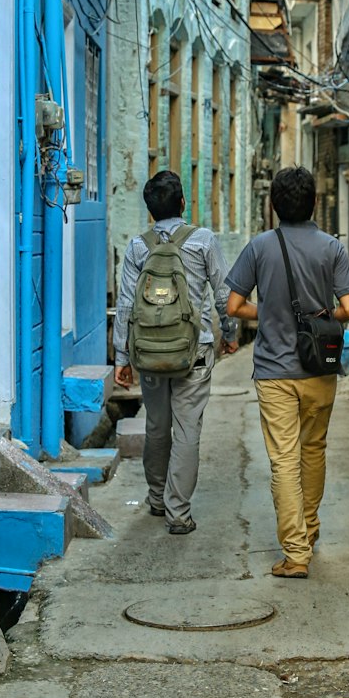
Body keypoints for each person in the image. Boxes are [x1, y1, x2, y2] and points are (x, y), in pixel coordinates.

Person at [226, 166, 349, 579]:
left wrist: (268, 313)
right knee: (313, 449)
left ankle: (296, 552)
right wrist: (323, 317)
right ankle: (311, 531)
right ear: (314, 203)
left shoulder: (259, 247)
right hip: (319, 368)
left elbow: (233, 306)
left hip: (274, 372)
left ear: (273, 205)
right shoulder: (332, 248)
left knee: (283, 460)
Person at [113, 169, 238, 534]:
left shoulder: (138, 247)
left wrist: (123, 358)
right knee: (187, 430)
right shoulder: (204, 241)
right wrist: (228, 334)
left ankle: (155, 498)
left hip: (150, 353)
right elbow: (223, 296)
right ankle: (178, 512)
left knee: (156, 425)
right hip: (193, 352)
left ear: (151, 211)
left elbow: (125, 306)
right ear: (183, 203)